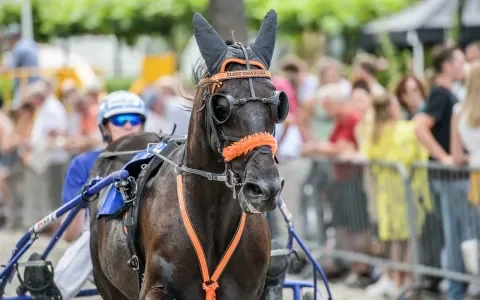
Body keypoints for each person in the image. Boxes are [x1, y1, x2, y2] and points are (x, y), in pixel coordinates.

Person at [53, 91, 148, 300]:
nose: (128, 125)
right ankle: (55, 294)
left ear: (142, 124)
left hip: (149, 232)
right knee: (94, 236)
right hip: (102, 236)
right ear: (105, 126)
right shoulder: (84, 163)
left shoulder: (154, 159)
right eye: (120, 119)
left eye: (134, 119)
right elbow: (69, 235)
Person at [414, 45, 469, 300]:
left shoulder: (446, 93)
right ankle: (457, 288)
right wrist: (444, 157)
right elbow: (421, 126)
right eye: (459, 60)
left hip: (451, 175)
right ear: (446, 65)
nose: (463, 65)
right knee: (457, 231)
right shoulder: (441, 93)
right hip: (448, 176)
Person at [1, 23, 40, 109]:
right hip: (37, 83)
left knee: (17, 108)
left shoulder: (18, 47)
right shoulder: (30, 43)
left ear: (13, 38)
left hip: (26, 85)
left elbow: (9, 68)